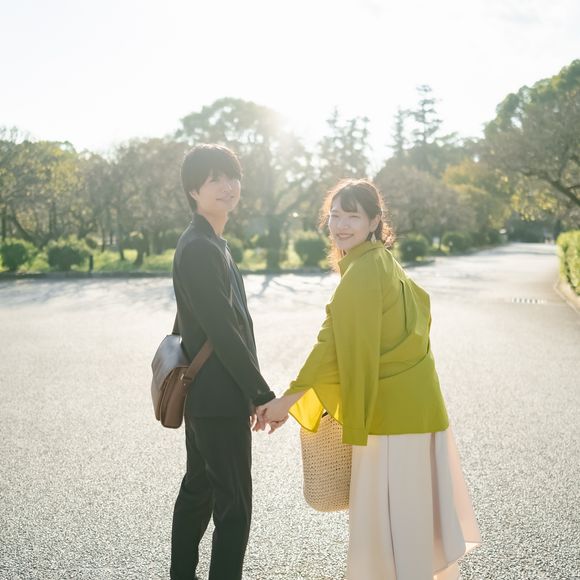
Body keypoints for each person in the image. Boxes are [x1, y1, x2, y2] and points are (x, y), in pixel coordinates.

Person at [256, 179, 481, 580]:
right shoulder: (384, 262)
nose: (341, 225)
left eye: (353, 216)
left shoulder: (363, 271)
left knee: (386, 524)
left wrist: (286, 402)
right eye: (335, 215)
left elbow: (330, 348)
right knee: (412, 516)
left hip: (390, 416)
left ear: (375, 221)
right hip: (419, 408)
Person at [171, 144, 284, 580]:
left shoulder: (210, 242)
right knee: (234, 506)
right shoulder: (200, 247)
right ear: (193, 190)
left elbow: (198, 319)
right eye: (214, 179)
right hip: (217, 398)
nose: (227, 186)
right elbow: (222, 330)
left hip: (208, 395)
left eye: (232, 176)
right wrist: (260, 393)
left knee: (198, 491)